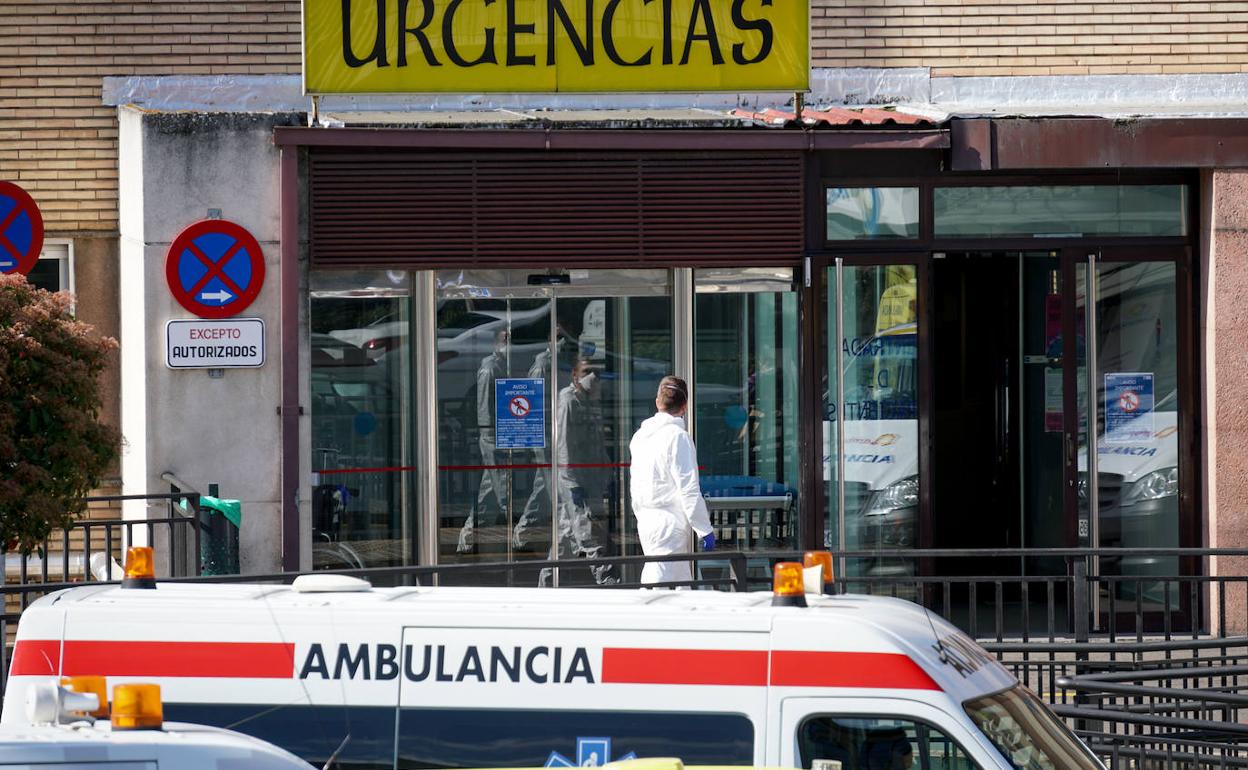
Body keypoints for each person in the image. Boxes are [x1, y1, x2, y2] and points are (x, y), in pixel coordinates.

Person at [628, 375, 715, 586]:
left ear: (657, 402)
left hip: (646, 519)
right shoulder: (678, 437)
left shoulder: (640, 436)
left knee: (678, 583)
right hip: (669, 524)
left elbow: (635, 483)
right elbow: (689, 489)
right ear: (684, 406)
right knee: (658, 585)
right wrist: (704, 529)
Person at [540, 356, 616, 585]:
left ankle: (545, 584)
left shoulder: (589, 401)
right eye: (586, 372)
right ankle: (605, 577)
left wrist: (607, 473)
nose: (592, 377)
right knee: (589, 530)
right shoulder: (568, 400)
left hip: (589, 477)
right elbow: (562, 443)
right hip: (574, 479)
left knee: (565, 536)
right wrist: (571, 482)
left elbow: (597, 442)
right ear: (575, 375)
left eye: (596, 373)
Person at [457, 328, 512, 554]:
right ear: (495, 344)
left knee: (488, 491)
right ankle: (516, 528)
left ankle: (468, 537)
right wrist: (490, 435)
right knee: (503, 486)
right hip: (493, 435)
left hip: (501, 433)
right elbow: (484, 407)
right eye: (505, 340)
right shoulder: (489, 369)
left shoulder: (503, 366)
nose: (509, 344)